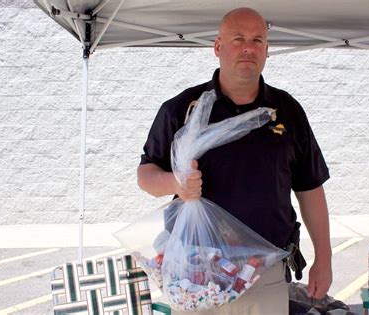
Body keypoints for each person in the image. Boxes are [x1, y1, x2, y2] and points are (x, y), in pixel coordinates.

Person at [137, 7, 332, 315]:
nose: (247, 48)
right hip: (196, 272)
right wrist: (176, 184)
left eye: (257, 40)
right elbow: (146, 175)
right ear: (218, 47)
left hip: (264, 270)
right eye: (238, 38)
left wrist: (325, 258)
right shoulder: (183, 109)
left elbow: (310, 188)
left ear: (267, 50)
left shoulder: (287, 110)